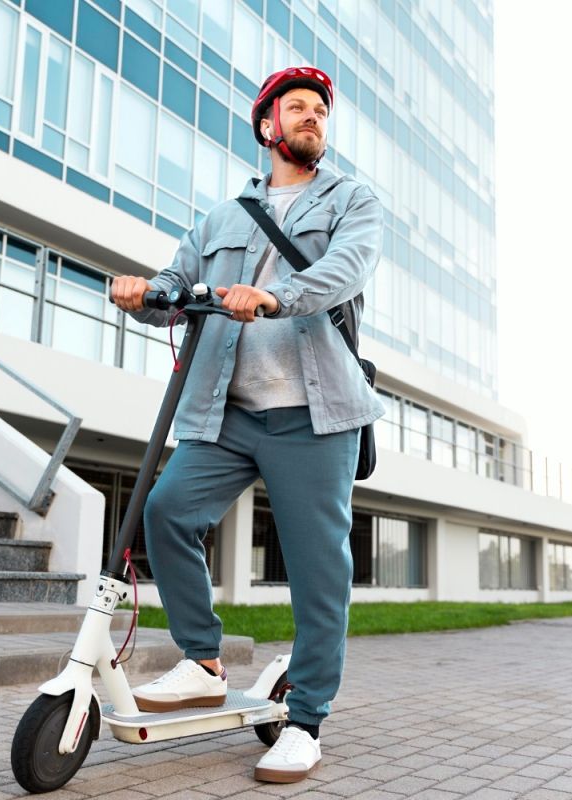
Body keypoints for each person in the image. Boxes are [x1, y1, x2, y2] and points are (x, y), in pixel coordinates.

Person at [110, 66, 384, 784]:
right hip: (227, 411)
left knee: (318, 572)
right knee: (166, 512)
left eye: (320, 110)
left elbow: (344, 272)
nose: (311, 118)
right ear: (268, 127)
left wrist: (273, 297)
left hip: (315, 415)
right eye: (297, 108)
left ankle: (305, 721)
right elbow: (179, 285)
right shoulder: (223, 217)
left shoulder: (353, 200)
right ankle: (201, 661)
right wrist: (146, 293)